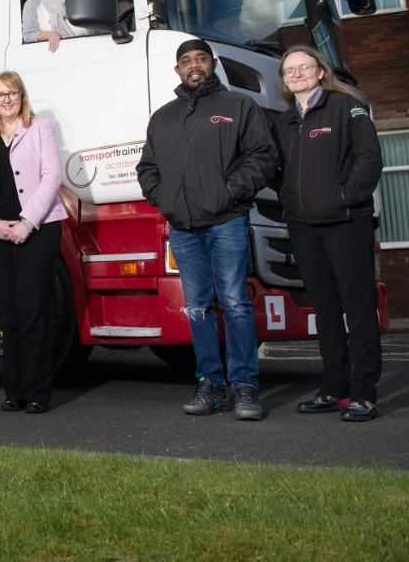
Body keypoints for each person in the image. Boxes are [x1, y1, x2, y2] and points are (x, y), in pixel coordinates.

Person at [136, 39, 276, 420]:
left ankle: (245, 388)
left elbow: (263, 156)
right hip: (183, 226)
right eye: (186, 61)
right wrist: (164, 199)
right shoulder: (163, 116)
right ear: (177, 70)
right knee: (197, 307)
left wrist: (230, 192)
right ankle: (210, 384)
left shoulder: (238, 106)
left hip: (227, 221)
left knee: (235, 304)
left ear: (212, 64)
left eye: (200, 59)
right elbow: (147, 168)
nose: (194, 66)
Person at [272, 45, 383, 422]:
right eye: (290, 70)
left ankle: (364, 393)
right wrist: (291, 200)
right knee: (325, 310)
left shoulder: (347, 107)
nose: (297, 74)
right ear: (285, 81)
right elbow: (278, 172)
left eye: (305, 67)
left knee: (360, 306)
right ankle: (335, 387)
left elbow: (369, 158)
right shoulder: (284, 122)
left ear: (321, 71)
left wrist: (344, 198)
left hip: (346, 222)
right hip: (303, 226)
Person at [0, 71, 67, 414]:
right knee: (9, 313)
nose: (6, 100)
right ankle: (14, 391)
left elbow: (52, 176)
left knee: (32, 311)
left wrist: (28, 222)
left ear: (21, 96)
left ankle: (38, 391)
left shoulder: (39, 129)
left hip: (38, 230)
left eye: (12, 93)